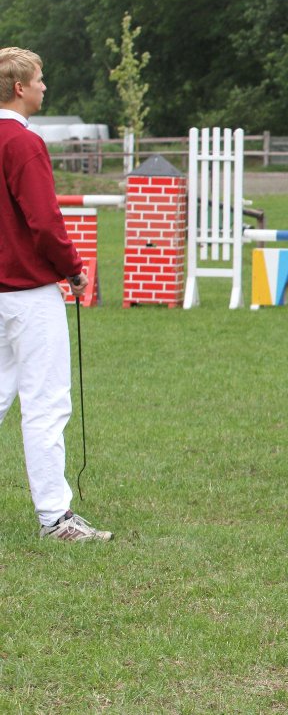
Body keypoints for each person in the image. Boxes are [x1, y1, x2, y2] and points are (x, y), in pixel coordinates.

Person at [0, 47, 112, 541]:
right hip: (28, 292)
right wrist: (74, 269)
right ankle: (55, 517)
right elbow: (45, 220)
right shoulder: (22, 143)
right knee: (46, 403)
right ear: (20, 87)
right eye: (40, 79)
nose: (46, 87)